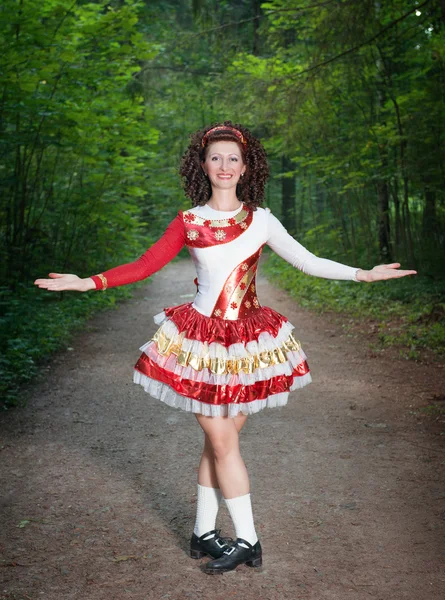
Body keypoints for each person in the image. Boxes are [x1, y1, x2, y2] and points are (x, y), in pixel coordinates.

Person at [34, 121, 416, 574]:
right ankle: (249, 541)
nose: (224, 165)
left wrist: (362, 274)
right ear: (202, 164)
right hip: (198, 344)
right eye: (215, 157)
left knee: (221, 442)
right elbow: (144, 265)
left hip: (248, 344)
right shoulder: (189, 221)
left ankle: (204, 533)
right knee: (222, 441)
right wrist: (88, 282)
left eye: (233, 158)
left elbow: (309, 262)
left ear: (246, 166)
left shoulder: (262, 220)